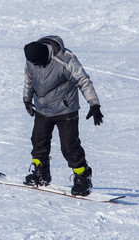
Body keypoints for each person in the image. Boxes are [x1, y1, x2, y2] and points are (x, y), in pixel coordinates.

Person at [22, 35, 104, 196]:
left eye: (37, 62)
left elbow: (83, 80)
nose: (35, 65)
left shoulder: (65, 60)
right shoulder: (32, 60)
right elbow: (29, 79)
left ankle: (83, 178)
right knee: (38, 142)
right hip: (42, 109)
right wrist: (27, 98)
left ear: (44, 55)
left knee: (69, 147)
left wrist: (94, 104)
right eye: (33, 63)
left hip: (65, 110)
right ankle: (41, 174)